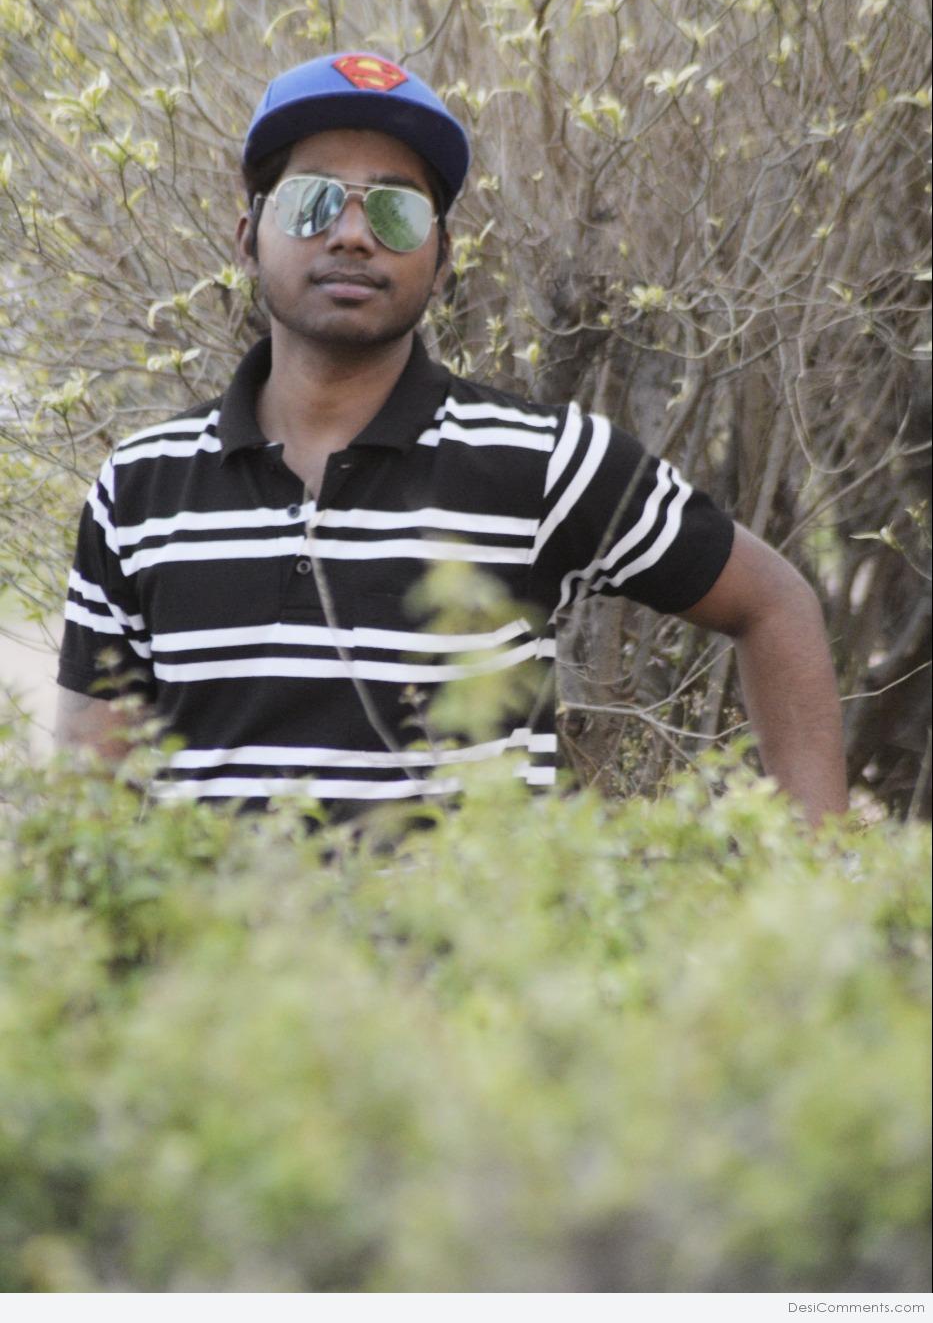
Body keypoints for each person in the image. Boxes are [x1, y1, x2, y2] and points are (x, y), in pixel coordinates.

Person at [56, 51, 848, 827]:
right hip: (217, 921)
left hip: (470, 920)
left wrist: (818, 867)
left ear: (441, 261)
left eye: (396, 211)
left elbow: (773, 604)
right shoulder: (141, 486)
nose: (352, 234)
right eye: (310, 202)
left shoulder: (543, 463)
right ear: (247, 236)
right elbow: (91, 802)